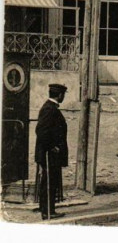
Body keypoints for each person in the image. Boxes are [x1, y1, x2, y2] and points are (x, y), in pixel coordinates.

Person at [35, 83, 69, 220]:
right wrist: (51, 147)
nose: (63, 97)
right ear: (59, 95)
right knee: (49, 182)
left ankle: (47, 209)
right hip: (49, 153)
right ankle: (47, 211)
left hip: (51, 153)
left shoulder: (50, 107)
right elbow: (41, 131)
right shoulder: (49, 109)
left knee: (50, 181)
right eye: (63, 95)